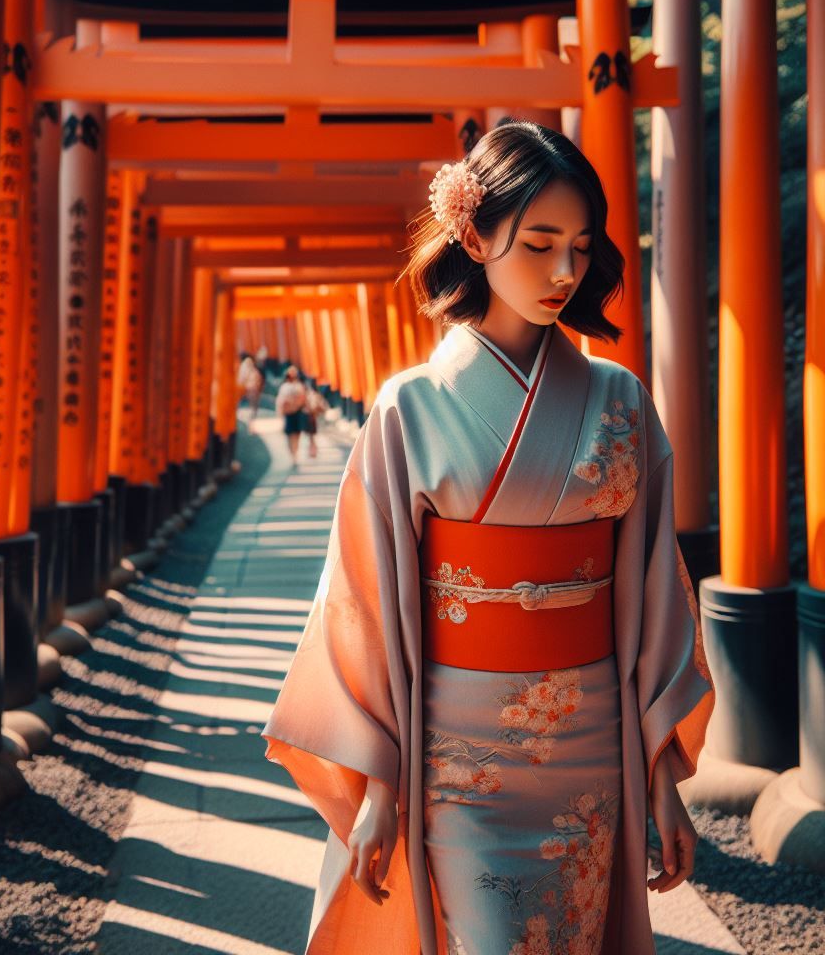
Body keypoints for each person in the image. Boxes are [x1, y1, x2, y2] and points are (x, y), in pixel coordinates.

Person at [262, 119, 715, 955]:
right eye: (540, 243)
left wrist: (661, 777)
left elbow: (657, 596)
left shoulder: (619, 403)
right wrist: (378, 781)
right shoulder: (408, 408)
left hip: (590, 751)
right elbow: (359, 605)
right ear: (474, 235)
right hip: (455, 761)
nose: (565, 271)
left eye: (580, 247)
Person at [275, 365, 308, 467]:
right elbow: (303, 400)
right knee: (296, 435)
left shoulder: (284, 387)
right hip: (296, 413)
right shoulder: (299, 387)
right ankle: (294, 454)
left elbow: (280, 403)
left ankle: (293, 454)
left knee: (290, 435)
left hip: (289, 414)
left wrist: (280, 414)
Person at [303, 384, 328, 458]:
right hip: (314, 417)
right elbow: (324, 406)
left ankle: (312, 450)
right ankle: (313, 450)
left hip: (310, 417)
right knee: (312, 436)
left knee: (311, 436)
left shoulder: (307, 395)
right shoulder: (317, 395)